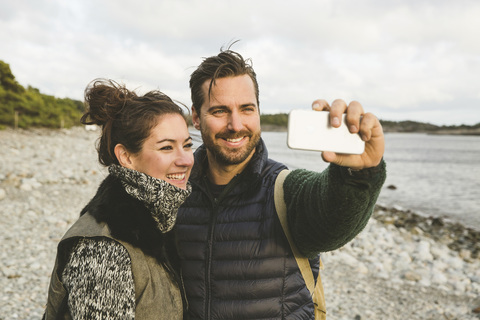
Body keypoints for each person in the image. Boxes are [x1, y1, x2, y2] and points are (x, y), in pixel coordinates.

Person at [174, 48, 387, 319]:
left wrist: (359, 175)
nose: (235, 124)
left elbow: (332, 222)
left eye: (247, 109)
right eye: (219, 111)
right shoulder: (175, 191)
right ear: (195, 116)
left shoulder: (284, 189)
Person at [43, 79, 194, 319]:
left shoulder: (156, 218)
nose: (185, 160)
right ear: (126, 156)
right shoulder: (104, 250)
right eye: (167, 148)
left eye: (187, 145)